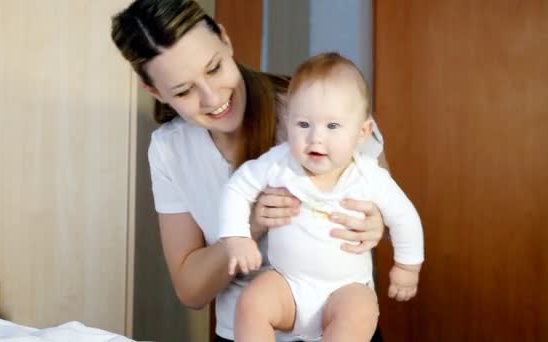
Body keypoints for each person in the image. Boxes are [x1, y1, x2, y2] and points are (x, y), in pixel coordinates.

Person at [111, 1, 387, 341]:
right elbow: (192, 291)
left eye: (213, 68)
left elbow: (382, 205)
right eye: (183, 90)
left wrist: (375, 222)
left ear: (225, 40)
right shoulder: (170, 150)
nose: (212, 98)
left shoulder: (315, 114)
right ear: (155, 92)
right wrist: (249, 224)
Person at [219, 53, 424, 342]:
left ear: (362, 132)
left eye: (332, 126)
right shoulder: (278, 163)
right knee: (252, 303)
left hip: (344, 289)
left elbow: (405, 217)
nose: (316, 138)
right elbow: (237, 188)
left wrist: (407, 266)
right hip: (287, 285)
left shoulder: (369, 176)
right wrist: (237, 236)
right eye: (303, 124)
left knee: (362, 310)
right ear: (287, 121)